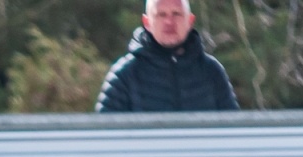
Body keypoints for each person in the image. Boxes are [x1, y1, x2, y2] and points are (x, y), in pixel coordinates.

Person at [97, 0, 238, 113]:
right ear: (147, 22)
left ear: (190, 20)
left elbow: (233, 131)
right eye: (161, 15)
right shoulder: (124, 74)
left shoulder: (212, 72)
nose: (169, 22)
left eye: (176, 14)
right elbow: (105, 136)